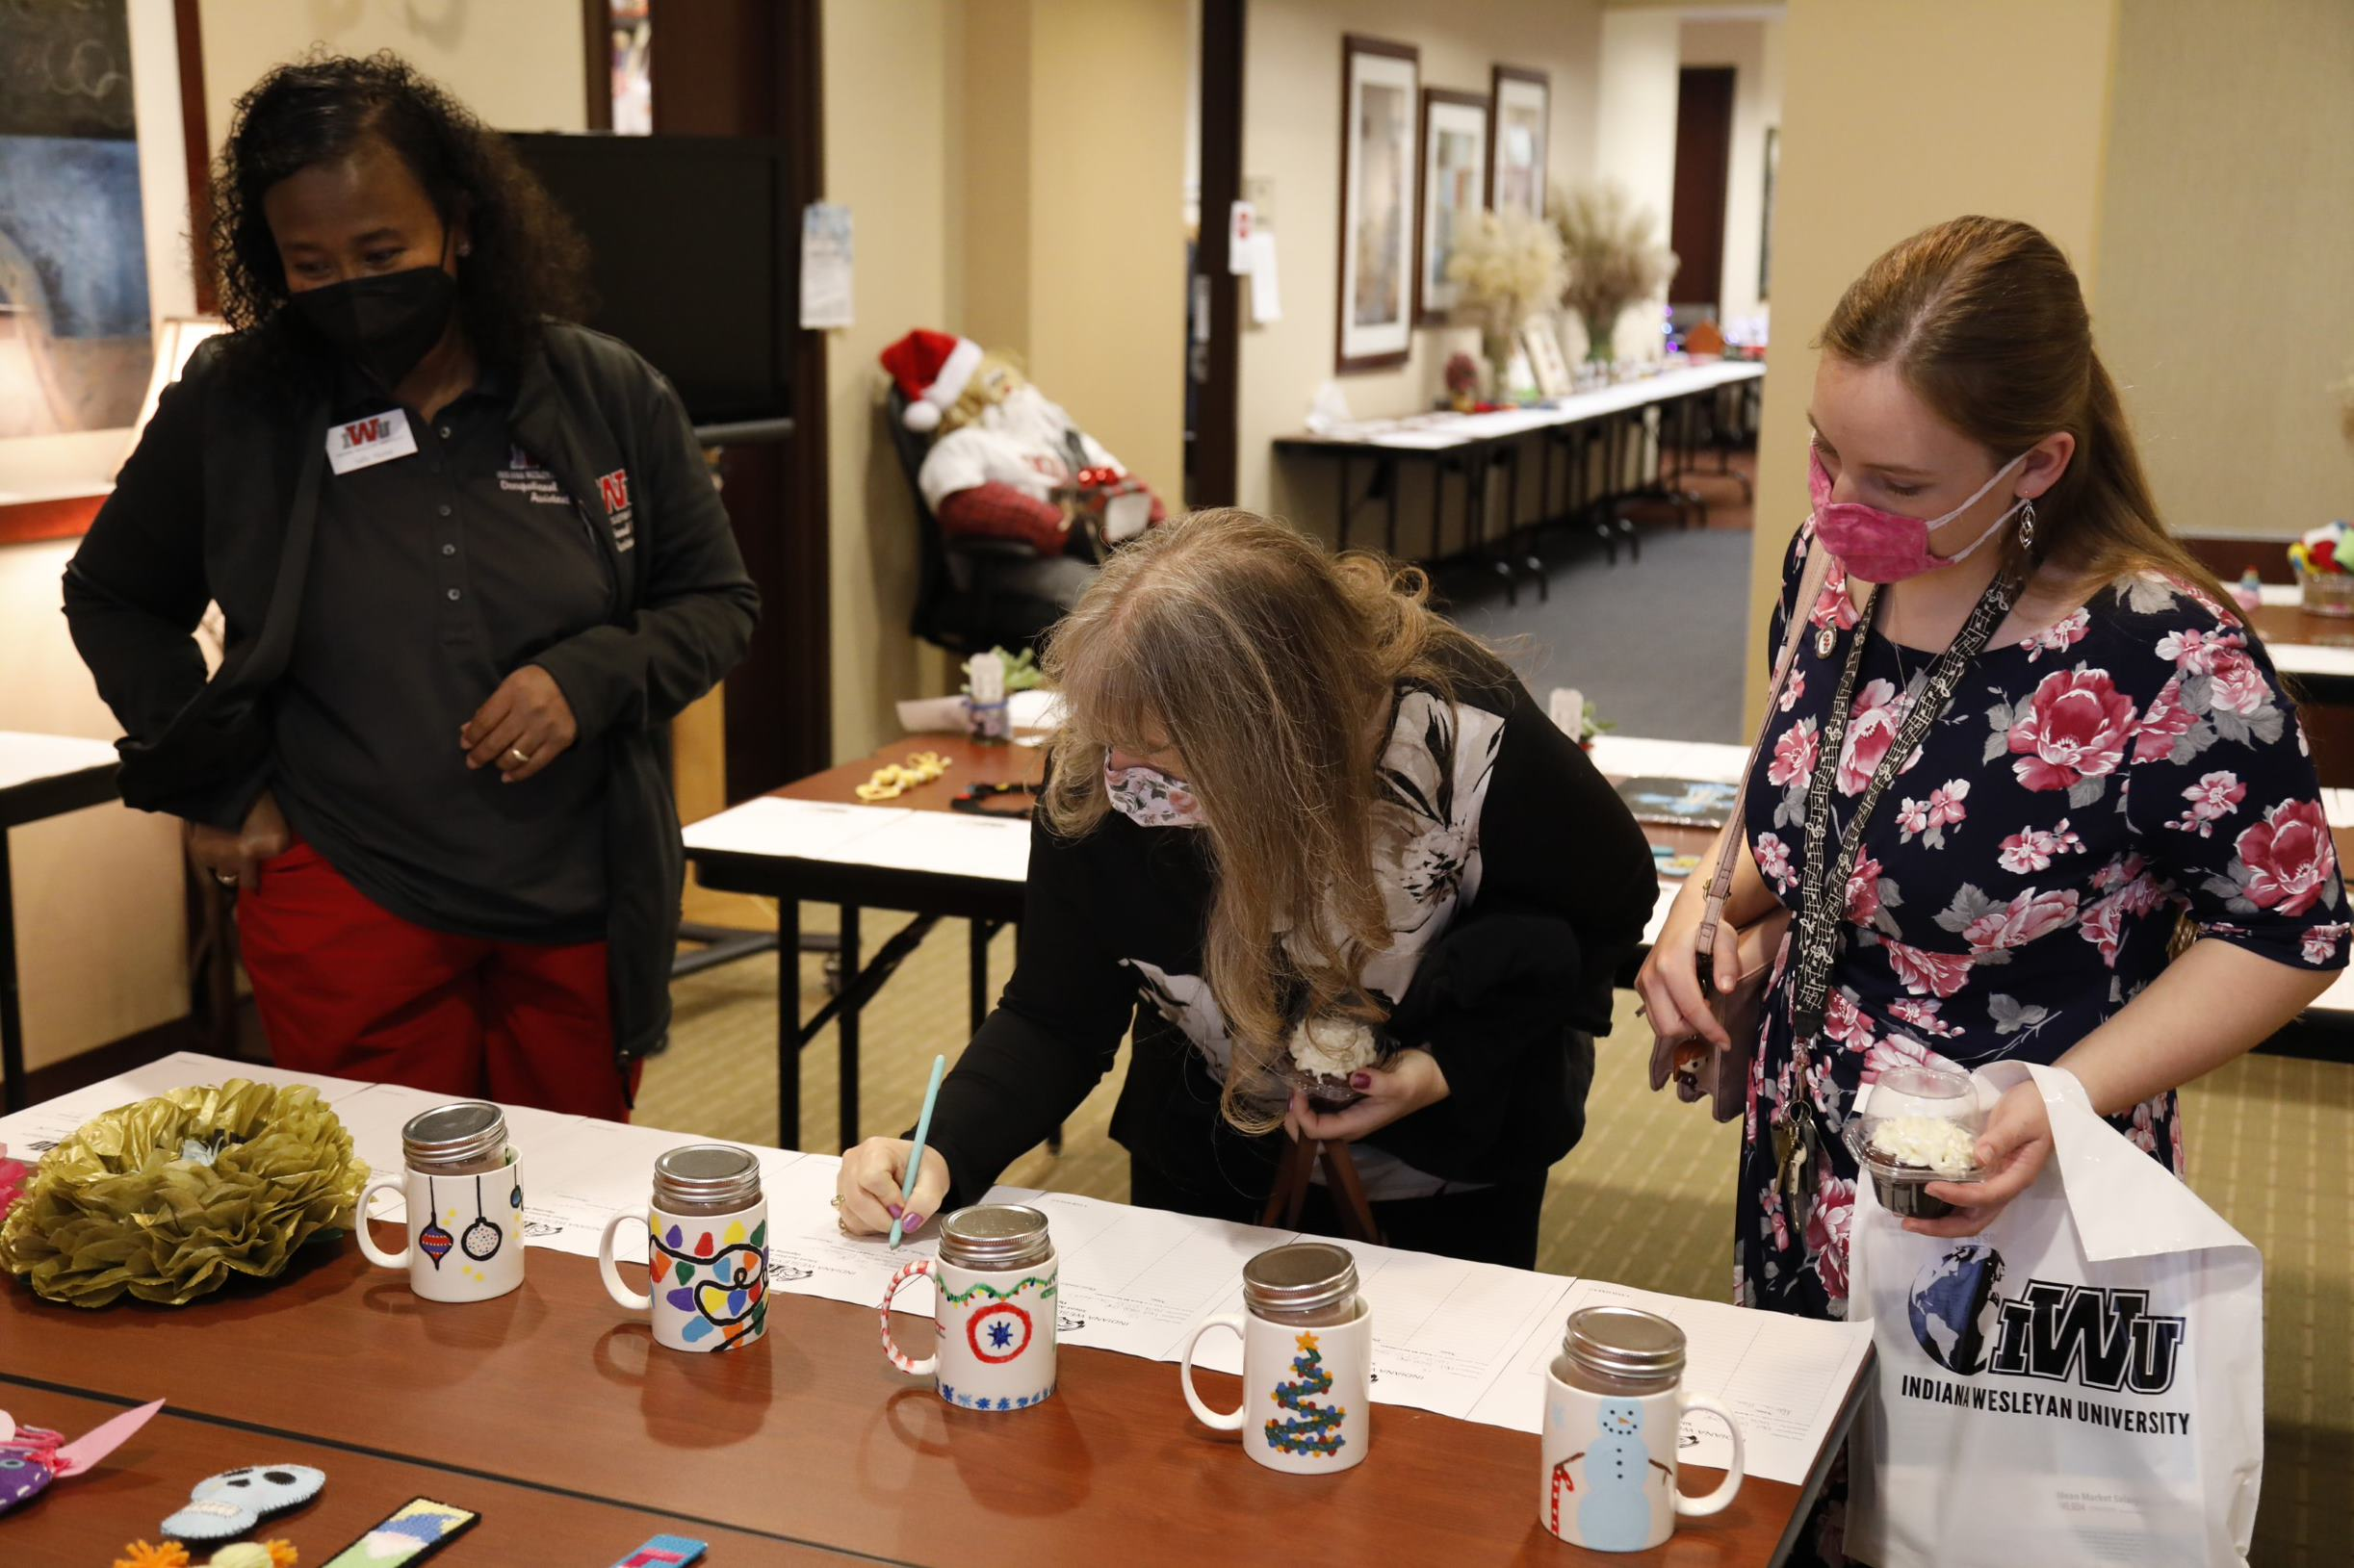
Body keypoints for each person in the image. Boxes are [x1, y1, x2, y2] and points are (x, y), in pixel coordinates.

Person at [1636, 216, 2345, 1564]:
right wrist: (1706, 898)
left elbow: (2289, 931)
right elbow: (1797, 773)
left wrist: (2061, 1098)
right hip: (1807, 1152)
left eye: (1895, 480)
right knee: (1809, 1507)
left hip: (2010, 1184)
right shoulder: (1835, 568)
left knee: (1983, 1521)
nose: (1843, 504)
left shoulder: (2161, 654)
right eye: (1823, 451)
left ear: (2036, 464)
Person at [64, 54, 759, 1117]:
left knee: (568, 1212)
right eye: (310, 263)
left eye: (382, 250)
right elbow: (114, 594)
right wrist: (215, 781)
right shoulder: (237, 405)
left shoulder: (603, 389)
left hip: (578, 893)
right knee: (382, 1228)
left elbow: (717, 600)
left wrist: (591, 675)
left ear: (461, 225)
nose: (352, 286)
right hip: (347, 886)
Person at [835, 511, 1657, 1268]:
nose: (1126, 781)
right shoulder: (1106, 767)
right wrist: (938, 1149)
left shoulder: (1459, 732)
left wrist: (1448, 1066)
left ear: (1287, 740)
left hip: (1452, 1173)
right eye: (1110, 740)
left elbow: (1605, 910)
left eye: (1161, 755)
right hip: (1208, 1163)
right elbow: (1055, 1014)